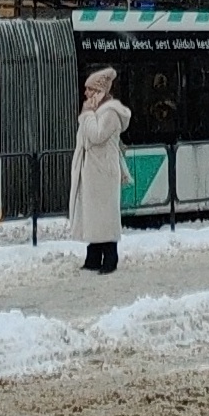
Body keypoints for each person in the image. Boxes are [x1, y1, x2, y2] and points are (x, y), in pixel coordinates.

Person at [68, 67, 130, 275]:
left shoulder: (110, 113)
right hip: (93, 174)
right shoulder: (96, 113)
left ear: (98, 92)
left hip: (103, 174)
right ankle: (94, 255)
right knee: (94, 216)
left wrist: (86, 116)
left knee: (105, 217)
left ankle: (109, 258)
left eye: (89, 90)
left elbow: (96, 136)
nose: (85, 94)